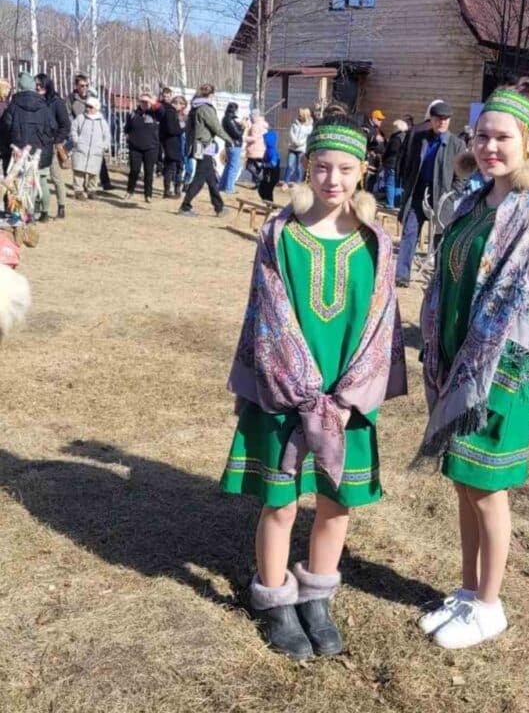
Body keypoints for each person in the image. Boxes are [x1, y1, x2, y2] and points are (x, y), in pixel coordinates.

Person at [221, 114, 407, 660]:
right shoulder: (280, 234)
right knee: (280, 502)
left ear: (363, 170)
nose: (333, 179)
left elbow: (382, 324)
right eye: (323, 167)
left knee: (335, 502)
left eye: (346, 169)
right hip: (286, 393)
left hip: (347, 399)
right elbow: (269, 314)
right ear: (307, 166)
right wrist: (303, 394)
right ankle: (275, 597)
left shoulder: (376, 242)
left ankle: (318, 596)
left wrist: (348, 400)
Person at [415, 79, 529, 649]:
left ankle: (491, 605)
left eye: (503, 137)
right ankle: (470, 590)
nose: (489, 147)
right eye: (481, 136)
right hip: (459, 361)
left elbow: (512, 304)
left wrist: (471, 367)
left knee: (485, 487)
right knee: (462, 482)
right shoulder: (476, 201)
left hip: (500, 370)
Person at [396, 100, 466, 287]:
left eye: (446, 119)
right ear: (431, 119)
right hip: (418, 194)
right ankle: (402, 275)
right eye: (438, 119)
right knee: (409, 232)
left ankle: (438, 279)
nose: (442, 122)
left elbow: (463, 174)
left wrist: (453, 193)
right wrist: (407, 186)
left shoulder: (457, 144)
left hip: (442, 197)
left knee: (440, 239)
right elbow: (409, 164)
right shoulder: (419, 139)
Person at [0, 72, 58, 222]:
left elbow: (5, 128)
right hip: (36, 153)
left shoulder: (13, 106)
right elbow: (52, 128)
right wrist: (41, 142)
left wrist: (9, 146)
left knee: (16, 184)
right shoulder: (44, 107)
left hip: (16, 153)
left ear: (20, 87)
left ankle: (16, 215)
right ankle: (29, 214)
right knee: (32, 183)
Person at [178, 84, 231, 217]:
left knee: (211, 178)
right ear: (211, 94)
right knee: (199, 179)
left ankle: (219, 207)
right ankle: (185, 206)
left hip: (200, 145)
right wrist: (229, 139)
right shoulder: (205, 108)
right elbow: (216, 127)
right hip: (204, 146)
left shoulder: (195, 106)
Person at [35, 74, 72, 219]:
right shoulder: (35, 100)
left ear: (47, 85)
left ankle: (61, 206)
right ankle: (41, 209)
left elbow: (65, 125)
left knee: (56, 177)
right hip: (38, 144)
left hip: (52, 145)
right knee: (40, 178)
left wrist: (57, 141)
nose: (38, 87)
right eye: (36, 84)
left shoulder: (57, 102)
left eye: (40, 84)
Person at [70, 96, 110, 200]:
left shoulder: (101, 121)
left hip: (96, 151)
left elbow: (107, 135)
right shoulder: (80, 118)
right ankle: (78, 191)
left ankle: (92, 190)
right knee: (79, 171)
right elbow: (74, 129)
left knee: (94, 172)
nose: (88, 109)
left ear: (96, 108)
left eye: (90, 107)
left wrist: (104, 146)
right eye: (87, 106)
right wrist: (76, 141)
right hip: (81, 149)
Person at [124, 93, 160, 203]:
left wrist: (154, 103)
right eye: (142, 101)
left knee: (149, 172)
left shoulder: (156, 114)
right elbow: (127, 129)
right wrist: (129, 138)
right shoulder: (133, 114)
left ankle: (148, 195)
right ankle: (130, 191)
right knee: (134, 170)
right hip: (135, 148)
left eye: (147, 102)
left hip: (151, 147)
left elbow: (163, 111)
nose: (145, 104)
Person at [159, 93, 185, 198]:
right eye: (179, 104)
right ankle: (168, 190)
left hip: (178, 144)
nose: (181, 106)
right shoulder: (170, 112)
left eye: (182, 104)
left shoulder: (178, 114)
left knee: (178, 167)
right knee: (170, 167)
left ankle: (176, 189)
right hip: (171, 143)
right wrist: (182, 129)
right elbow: (172, 129)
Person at [381, 119, 408, 209]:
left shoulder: (396, 138)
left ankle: (390, 204)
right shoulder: (406, 137)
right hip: (400, 166)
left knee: (390, 184)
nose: (392, 128)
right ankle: (397, 203)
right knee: (397, 184)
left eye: (394, 127)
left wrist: (384, 157)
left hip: (391, 163)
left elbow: (392, 151)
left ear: (397, 128)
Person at [218, 102, 245, 193]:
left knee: (229, 166)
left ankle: (222, 186)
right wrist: (243, 127)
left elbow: (234, 130)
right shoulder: (229, 120)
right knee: (234, 167)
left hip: (230, 145)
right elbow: (237, 134)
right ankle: (229, 188)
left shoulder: (227, 119)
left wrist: (240, 124)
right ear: (234, 110)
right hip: (234, 145)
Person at [284, 107, 313, 186]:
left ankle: (298, 183)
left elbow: (307, 137)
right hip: (292, 148)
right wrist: (294, 141)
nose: (299, 116)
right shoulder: (295, 124)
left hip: (301, 149)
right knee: (290, 165)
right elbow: (291, 133)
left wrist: (300, 143)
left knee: (299, 167)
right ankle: (286, 182)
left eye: (301, 115)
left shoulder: (309, 127)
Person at [243, 109, 268, 188]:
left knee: (249, 166)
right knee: (257, 167)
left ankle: (259, 180)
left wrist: (245, 138)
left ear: (254, 116)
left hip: (254, 149)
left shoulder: (255, 126)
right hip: (261, 148)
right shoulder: (263, 124)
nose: (250, 118)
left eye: (251, 116)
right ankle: (258, 184)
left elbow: (254, 138)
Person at [257, 126, 280, 202]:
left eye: (265, 140)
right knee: (262, 189)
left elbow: (273, 164)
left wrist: (263, 165)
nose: (263, 141)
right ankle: (268, 203)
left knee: (267, 190)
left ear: (268, 141)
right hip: (268, 174)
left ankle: (270, 204)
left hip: (273, 175)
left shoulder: (272, 151)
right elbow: (265, 159)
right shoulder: (268, 149)